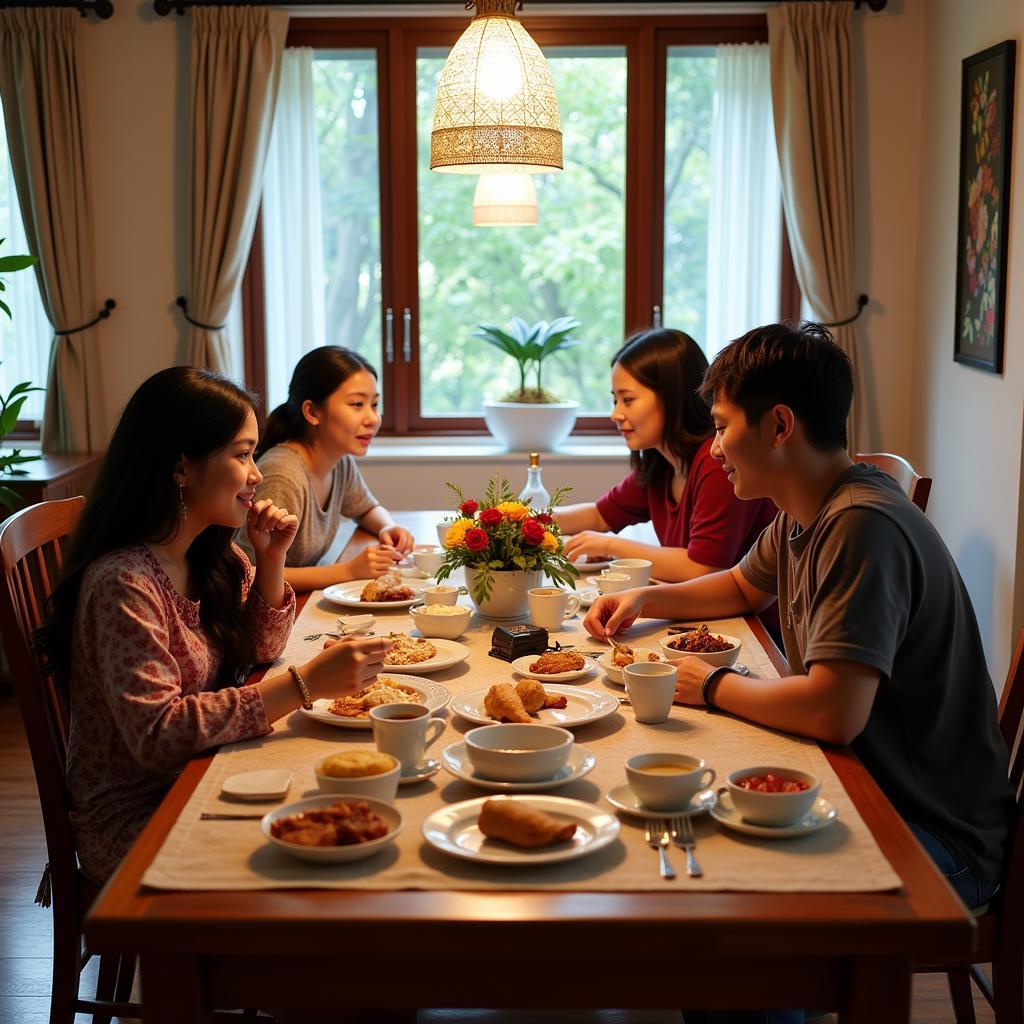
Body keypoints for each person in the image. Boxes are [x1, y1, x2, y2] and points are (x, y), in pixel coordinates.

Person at [584, 321, 1013, 914]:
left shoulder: (861, 525)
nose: (712, 449)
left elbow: (831, 713)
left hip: (935, 835)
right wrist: (647, 601)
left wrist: (709, 684)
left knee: (725, 895)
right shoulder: (806, 508)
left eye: (722, 428)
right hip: (867, 786)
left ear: (780, 426)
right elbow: (739, 586)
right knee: (696, 847)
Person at [37, 367, 393, 882]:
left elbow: (264, 647)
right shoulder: (124, 582)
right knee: (334, 846)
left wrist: (272, 560)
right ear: (181, 467)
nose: (256, 474)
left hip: (203, 768)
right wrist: (306, 684)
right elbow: (158, 735)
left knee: (349, 812)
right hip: (140, 816)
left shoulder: (209, 553)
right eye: (242, 454)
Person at [556, 327, 776, 583]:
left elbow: (703, 569)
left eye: (627, 400)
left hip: (752, 621)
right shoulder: (661, 462)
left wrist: (610, 546)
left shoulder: (718, 462)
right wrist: (522, 519)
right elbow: (599, 515)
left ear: (672, 396)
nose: (615, 414)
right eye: (614, 401)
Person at [237, 346, 415, 592]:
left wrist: (387, 526)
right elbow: (246, 575)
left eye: (374, 404)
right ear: (312, 412)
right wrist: (348, 571)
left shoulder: (339, 460)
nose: (373, 418)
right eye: (357, 404)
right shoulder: (283, 475)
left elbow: (365, 508)